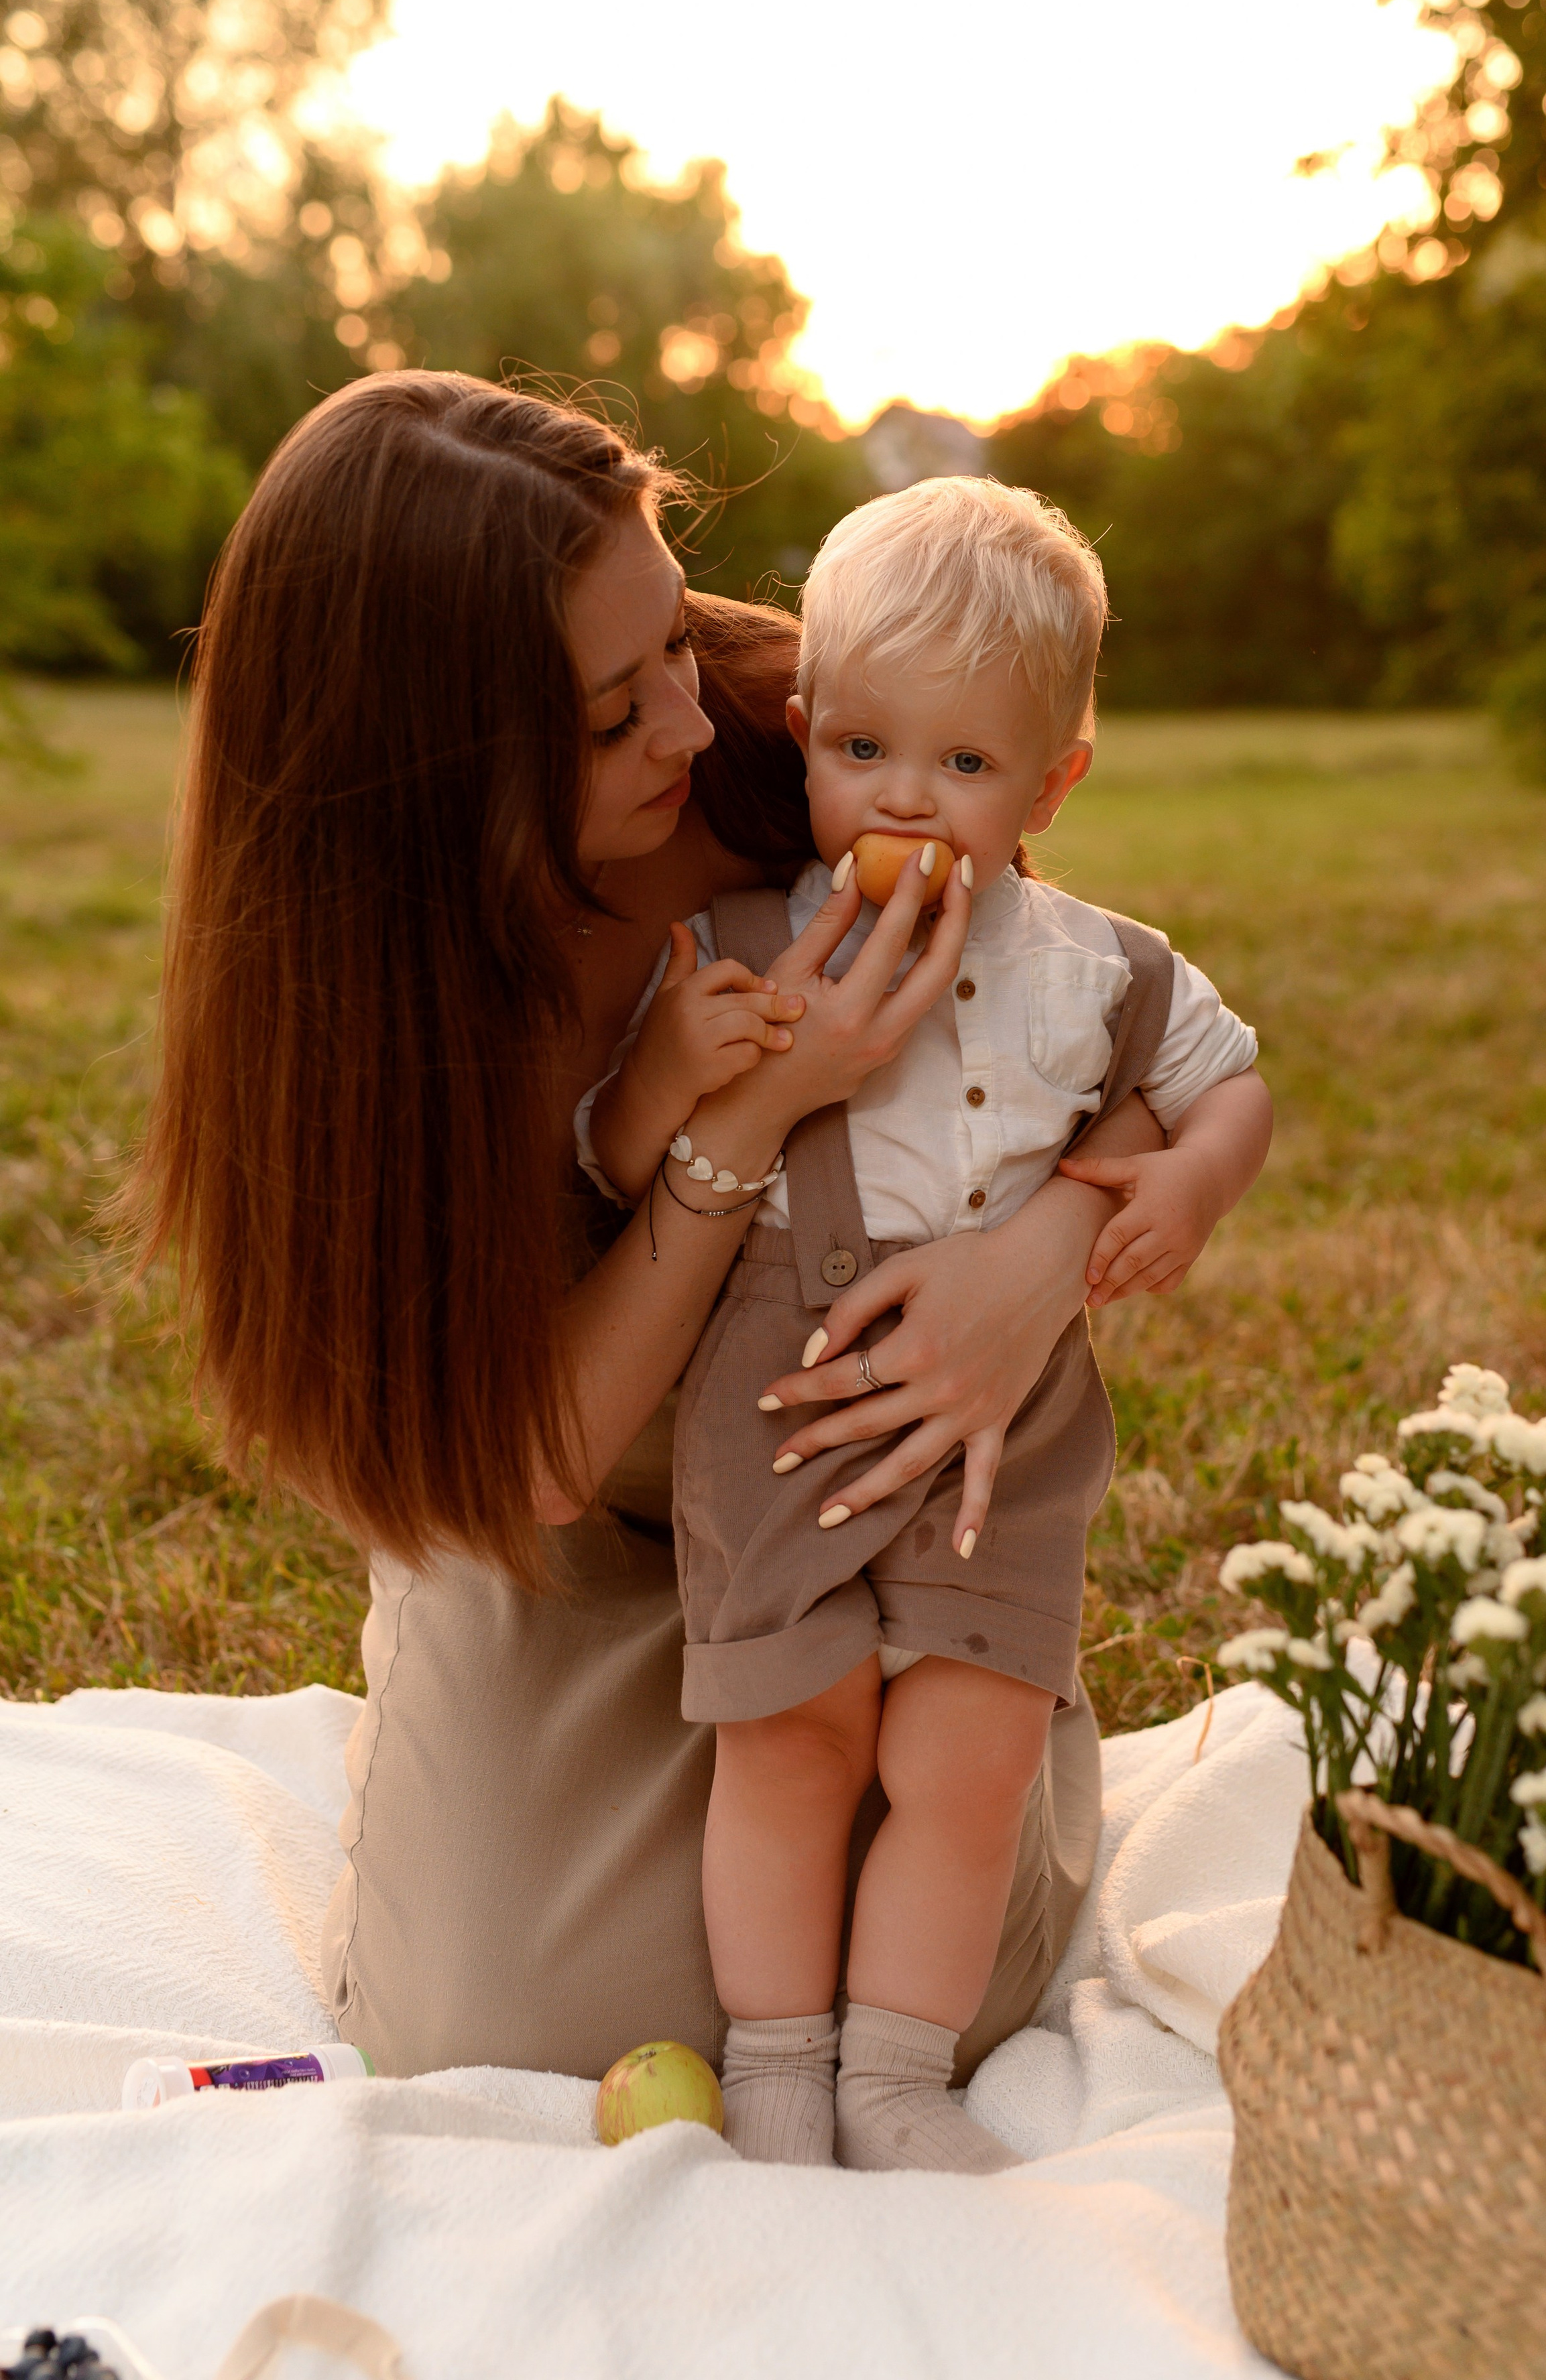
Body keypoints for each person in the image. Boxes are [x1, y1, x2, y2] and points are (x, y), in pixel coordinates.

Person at [127, 371, 1172, 2088]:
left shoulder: (774, 735)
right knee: (495, 2031)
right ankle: (473, 1710)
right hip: (563, 1512)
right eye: (616, 715)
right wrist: (743, 1119)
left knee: (942, 1970)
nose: (689, 721)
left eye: (676, 634)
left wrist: (1040, 1258)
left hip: (838, 1485)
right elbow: (533, 1459)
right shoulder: (344, 1023)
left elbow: (1088, 1031)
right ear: (434, 781)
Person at [583, 478, 1272, 2170]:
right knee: (790, 1737)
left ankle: (894, 2077)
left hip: (1004, 1436)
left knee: (969, 1755)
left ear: (1052, 783)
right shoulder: (730, 945)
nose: (904, 797)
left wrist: (1182, 1189)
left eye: (964, 763)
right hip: (781, 1403)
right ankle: (776, 2067)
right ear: (803, 735)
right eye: (863, 749)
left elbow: (1230, 1088)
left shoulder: (1101, 969)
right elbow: (610, 1155)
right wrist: (673, 1070)